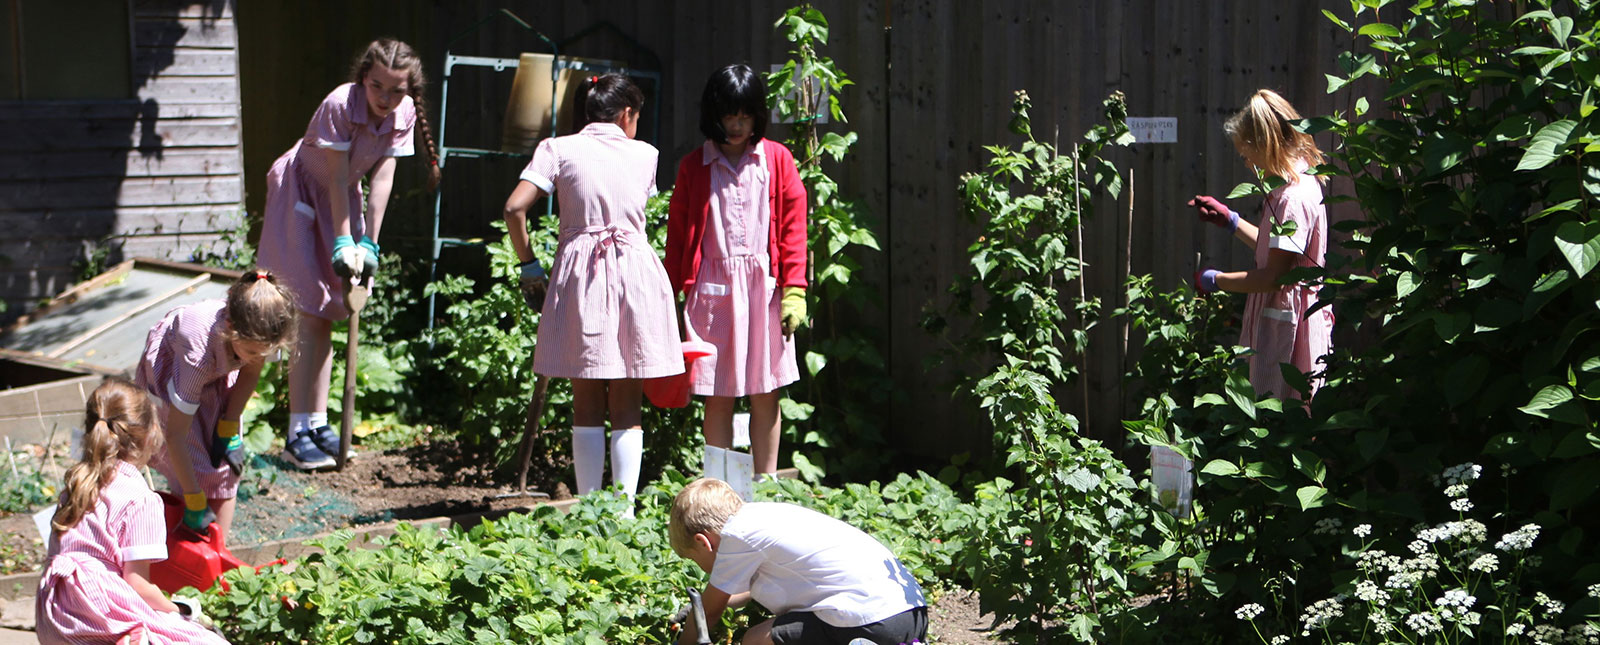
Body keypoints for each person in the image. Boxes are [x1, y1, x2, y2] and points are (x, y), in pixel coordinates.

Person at [257, 38, 439, 470]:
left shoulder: (405, 112)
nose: (386, 98)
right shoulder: (340, 104)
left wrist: (370, 243)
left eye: (397, 90)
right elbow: (336, 179)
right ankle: (296, 432)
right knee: (307, 314)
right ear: (363, 78)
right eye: (378, 87)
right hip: (301, 195)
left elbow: (382, 180)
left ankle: (318, 423)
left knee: (332, 313)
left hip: (343, 201)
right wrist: (344, 241)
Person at [503, 72, 681, 509]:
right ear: (627, 115)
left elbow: (513, 208)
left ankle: (587, 509)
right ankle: (622, 514)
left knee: (585, 396)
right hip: (635, 274)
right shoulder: (646, 154)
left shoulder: (557, 148)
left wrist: (529, 265)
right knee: (627, 400)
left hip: (581, 276)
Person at [665, 64, 808, 485]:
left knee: (767, 390)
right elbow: (679, 234)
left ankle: (767, 484)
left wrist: (795, 288)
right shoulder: (694, 166)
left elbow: (793, 226)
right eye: (729, 116)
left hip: (764, 291)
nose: (737, 124)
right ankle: (719, 490)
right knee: (719, 392)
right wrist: (669, 295)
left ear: (757, 115)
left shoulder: (777, 160)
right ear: (714, 114)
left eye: (745, 116)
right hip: (713, 295)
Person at [36, 378, 230, 644]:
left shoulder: (75, 486)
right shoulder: (140, 499)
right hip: (100, 613)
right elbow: (137, 585)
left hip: (56, 617)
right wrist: (180, 610)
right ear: (151, 435)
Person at [1190, 88, 1334, 401]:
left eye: (1246, 155)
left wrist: (1214, 280)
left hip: (1288, 326)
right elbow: (1284, 254)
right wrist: (1230, 220)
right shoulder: (1302, 183)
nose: (1247, 165)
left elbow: (1273, 277)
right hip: (1291, 317)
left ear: (1264, 145)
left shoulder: (1290, 200)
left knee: (1276, 412)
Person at [668, 478, 928, 645]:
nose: (700, 566)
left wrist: (690, 632)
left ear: (704, 542)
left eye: (694, 559)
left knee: (756, 641)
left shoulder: (736, 536)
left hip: (870, 624)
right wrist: (698, 607)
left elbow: (711, 613)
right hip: (909, 613)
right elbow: (736, 595)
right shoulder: (762, 517)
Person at [137, 269, 296, 541]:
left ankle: (218, 554)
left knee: (225, 465)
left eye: (265, 353)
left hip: (222, 364)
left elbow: (251, 369)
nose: (260, 358)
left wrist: (229, 424)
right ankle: (188, 547)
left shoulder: (263, 329)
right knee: (195, 460)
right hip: (173, 374)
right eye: (254, 353)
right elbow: (175, 436)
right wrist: (195, 500)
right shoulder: (196, 352)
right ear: (231, 329)